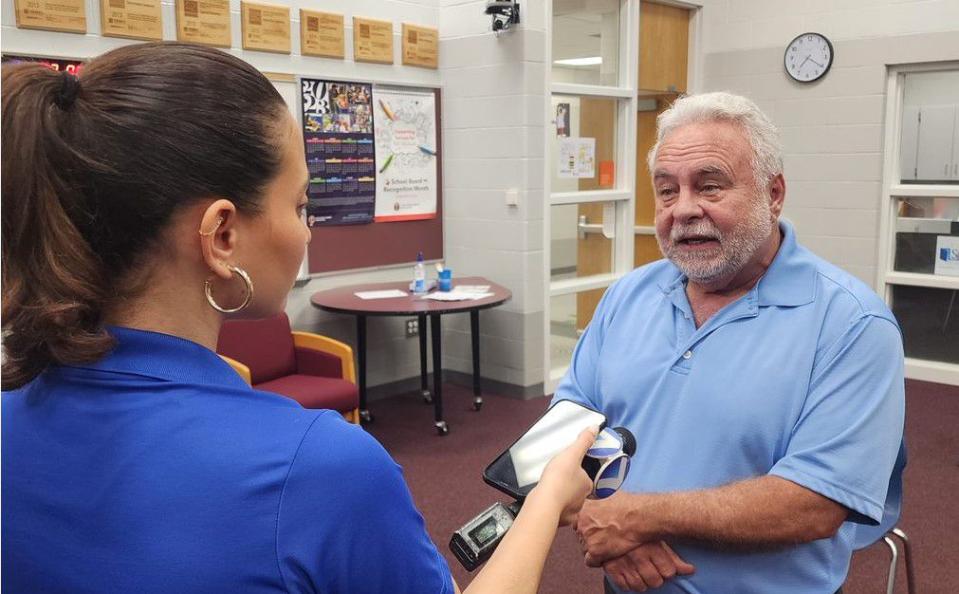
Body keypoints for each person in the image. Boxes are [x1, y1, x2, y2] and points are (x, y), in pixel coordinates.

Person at [1, 42, 597, 594]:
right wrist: (547, 502)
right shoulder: (320, 468)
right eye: (300, 204)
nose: (307, 230)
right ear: (223, 235)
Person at [552, 92, 906, 594]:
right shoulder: (627, 295)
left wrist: (638, 519)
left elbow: (814, 503)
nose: (684, 210)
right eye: (667, 191)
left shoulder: (853, 324)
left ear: (774, 193)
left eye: (710, 186)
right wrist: (597, 514)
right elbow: (571, 419)